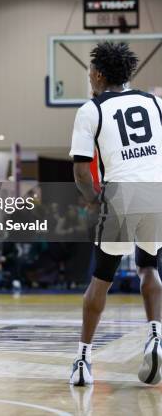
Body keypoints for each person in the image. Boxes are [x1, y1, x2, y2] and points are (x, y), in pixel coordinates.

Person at [69, 41, 162, 386]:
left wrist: (94, 200)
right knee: (149, 266)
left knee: (102, 278)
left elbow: (81, 173)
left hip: (120, 194)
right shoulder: (154, 102)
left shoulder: (91, 109)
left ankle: (83, 359)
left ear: (96, 74)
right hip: (156, 192)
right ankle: (155, 336)